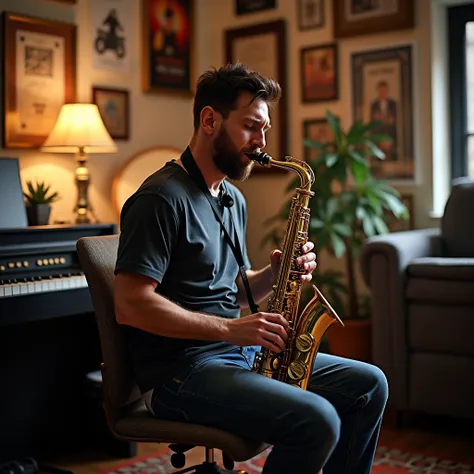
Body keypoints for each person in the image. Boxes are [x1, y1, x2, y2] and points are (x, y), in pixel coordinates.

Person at [114, 62, 389, 474]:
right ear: (210, 120)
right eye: (250, 126)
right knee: (317, 419)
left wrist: (275, 277)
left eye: (264, 129)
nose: (261, 143)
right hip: (179, 374)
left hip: (234, 356)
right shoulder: (160, 198)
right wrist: (229, 329)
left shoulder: (230, 199)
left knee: (370, 385)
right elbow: (130, 304)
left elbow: (233, 293)